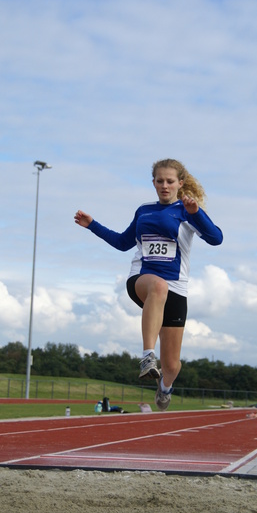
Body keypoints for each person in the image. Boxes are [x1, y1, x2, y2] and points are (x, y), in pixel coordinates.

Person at [74, 158, 223, 411]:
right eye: (160, 181)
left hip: (177, 289)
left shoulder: (188, 212)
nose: (164, 185)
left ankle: (165, 387)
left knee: (172, 365)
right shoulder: (144, 210)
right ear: (153, 182)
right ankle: (146, 357)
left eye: (170, 181)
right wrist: (93, 226)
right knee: (158, 287)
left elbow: (216, 238)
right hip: (142, 279)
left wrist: (196, 213)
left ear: (180, 183)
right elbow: (123, 242)